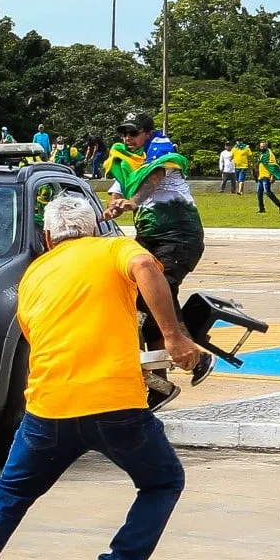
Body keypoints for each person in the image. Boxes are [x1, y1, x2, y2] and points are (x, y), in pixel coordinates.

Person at [0, 197, 197, 560]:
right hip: (115, 405)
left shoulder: (33, 275)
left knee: (11, 493)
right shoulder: (114, 249)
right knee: (162, 481)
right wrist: (173, 336)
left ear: (47, 237)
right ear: (95, 227)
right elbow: (148, 268)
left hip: (49, 407)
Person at [102, 111, 210, 404]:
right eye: (124, 133)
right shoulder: (124, 159)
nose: (128, 138)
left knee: (156, 291)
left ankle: (195, 357)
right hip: (149, 238)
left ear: (148, 133)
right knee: (144, 303)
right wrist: (114, 206)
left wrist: (133, 202)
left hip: (179, 237)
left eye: (133, 133)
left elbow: (152, 180)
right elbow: (118, 190)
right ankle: (160, 386)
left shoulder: (163, 154)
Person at [255, 141, 280, 214]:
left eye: (263, 146)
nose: (262, 148)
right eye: (261, 146)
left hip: (266, 176)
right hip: (261, 176)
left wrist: (272, 176)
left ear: (266, 146)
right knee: (259, 193)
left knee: (267, 192)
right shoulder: (262, 155)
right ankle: (261, 209)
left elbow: (273, 165)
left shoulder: (269, 154)